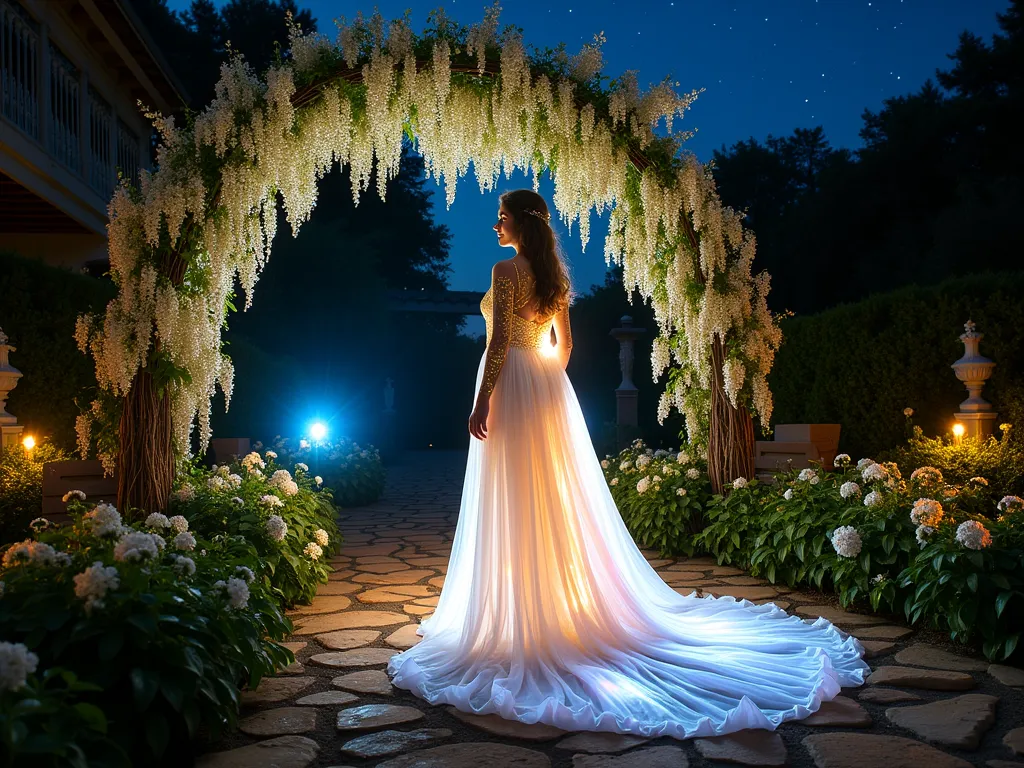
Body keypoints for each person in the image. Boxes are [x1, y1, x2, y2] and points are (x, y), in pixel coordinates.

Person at [387, 189, 869, 739]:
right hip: (546, 389)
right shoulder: (554, 280)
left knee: (513, 494)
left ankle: (522, 614)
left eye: (502, 217)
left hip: (511, 386)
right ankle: (549, 604)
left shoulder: (505, 271)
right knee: (548, 495)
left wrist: (483, 399)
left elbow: (498, 341)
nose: (495, 224)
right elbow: (563, 347)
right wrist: (546, 386)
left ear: (521, 222)